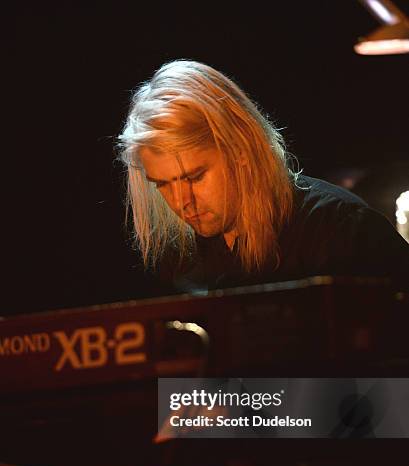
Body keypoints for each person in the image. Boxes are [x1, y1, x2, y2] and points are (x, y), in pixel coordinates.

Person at [117, 59, 409, 294]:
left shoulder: (343, 233)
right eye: (163, 184)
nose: (182, 203)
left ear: (240, 149)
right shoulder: (185, 263)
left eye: (194, 177)